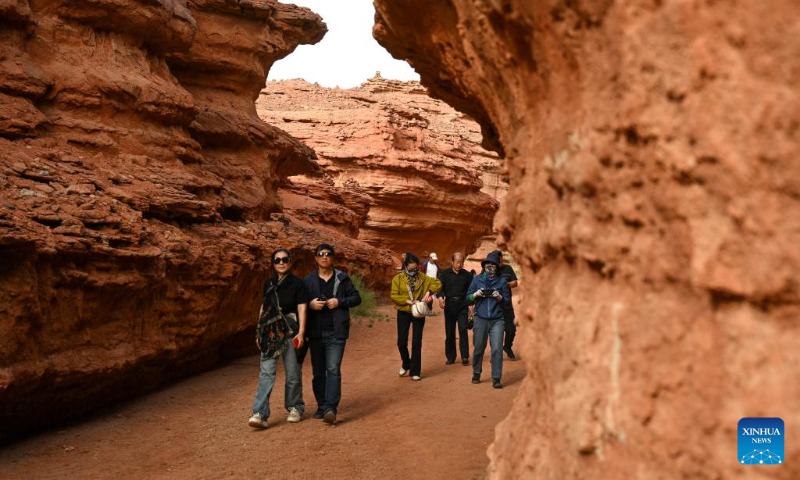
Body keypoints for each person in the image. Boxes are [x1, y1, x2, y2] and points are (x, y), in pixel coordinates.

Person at [249, 248, 308, 429]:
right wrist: (259, 331)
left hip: (291, 331)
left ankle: (295, 407)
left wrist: (302, 332)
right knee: (266, 373)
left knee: (292, 373)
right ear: (273, 263)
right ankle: (260, 413)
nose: (281, 263)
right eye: (277, 260)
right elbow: (263, 308)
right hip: (270, 334)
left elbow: (302, 308)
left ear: (290, 262)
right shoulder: (269, 283)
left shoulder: (298, 283)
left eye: (284, 259)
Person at [303, 243, 362, 424]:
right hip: (315, 333)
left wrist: (339, 301)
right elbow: (299, 304)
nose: (324, 257)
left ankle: (330, 408)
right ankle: (322, 406)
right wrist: (310, 305)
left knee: (333, 369)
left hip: (336, 332)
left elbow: (356, 298)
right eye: (320, 254)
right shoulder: (308, 281)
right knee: (318, 372)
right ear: (316, 258)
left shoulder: (343, 279)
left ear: (332, 258)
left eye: (328, 254)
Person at [390, 253, 442, 381]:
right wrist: (407, 301)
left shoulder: (423, 278)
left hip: (418, 312)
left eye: (415, 269)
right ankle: (406, 363)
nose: (413, 271)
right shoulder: (398, 279)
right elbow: (394, 295)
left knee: (416, 342)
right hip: (403, 311)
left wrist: (428, 293)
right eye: (410, 269)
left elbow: (438, 283)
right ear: (405, 267)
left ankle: (415, 371)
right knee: (401, 342)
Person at [467, 251, 511, 389]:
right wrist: (475, 295)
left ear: (497, 267)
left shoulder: (502, 281)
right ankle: (476, 372)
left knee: (497, 348)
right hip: (480, 318)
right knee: (479, 347)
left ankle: (496, 378)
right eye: (488, 264)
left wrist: (500, 298)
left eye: (493, 265)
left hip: (497, 320)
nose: (490, 267)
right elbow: (467, 298)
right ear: (484, 266)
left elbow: (507, 303)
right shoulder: (477, 279)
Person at [437, 252, 474, 366]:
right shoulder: (444, 274)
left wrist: (471, 304)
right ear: (452, 262)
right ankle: (451, 357)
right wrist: (440, 298)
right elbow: (439, 288)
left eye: (461, 262)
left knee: (463, 329)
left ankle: (464, 356)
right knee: (450, 332)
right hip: (449, 305)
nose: (459, 264)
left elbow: (470, 290)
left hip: (462, 304)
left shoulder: (467, 275)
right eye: (457, 262)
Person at [492, 250, 519, 360]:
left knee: (511, 329)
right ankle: (495, 354)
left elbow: (515, 283)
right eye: (498, 259)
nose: (500, 261)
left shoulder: (507, 268)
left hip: (507, 305)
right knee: (495, 331)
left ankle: (507, 347)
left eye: (501, 258)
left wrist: (505, 284)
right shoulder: (490, 269)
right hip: (494, 306)